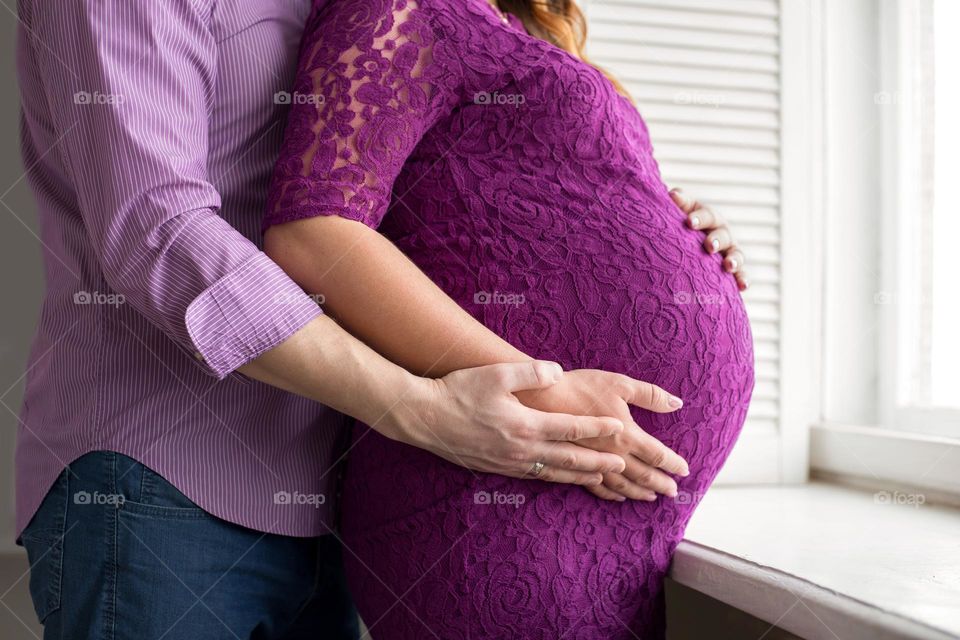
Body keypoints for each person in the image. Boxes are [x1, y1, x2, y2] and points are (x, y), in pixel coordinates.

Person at [13, 1, 691, 638]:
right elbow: (156, 231)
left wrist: (661, 229)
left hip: (336, 494)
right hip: (160, 485)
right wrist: (420, 408)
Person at [262, 0, 755, 637]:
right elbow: (314, 235)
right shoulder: (397, 7)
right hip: (494, 486)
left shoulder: (529, 28)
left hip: (616, 509)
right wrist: (546, 393)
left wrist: (681, 221)